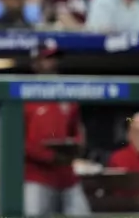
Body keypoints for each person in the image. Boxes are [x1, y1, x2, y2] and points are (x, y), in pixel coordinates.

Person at [24, 41, 91, 217]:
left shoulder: (67, 93)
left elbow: (77, 131)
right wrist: (51, 156)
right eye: (47, 58)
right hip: (36, 175)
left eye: (55, 58)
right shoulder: (23, 93)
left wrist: (76, 146)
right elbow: (17, 141)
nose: (53, 63)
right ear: (35, 63)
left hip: (66, 175)